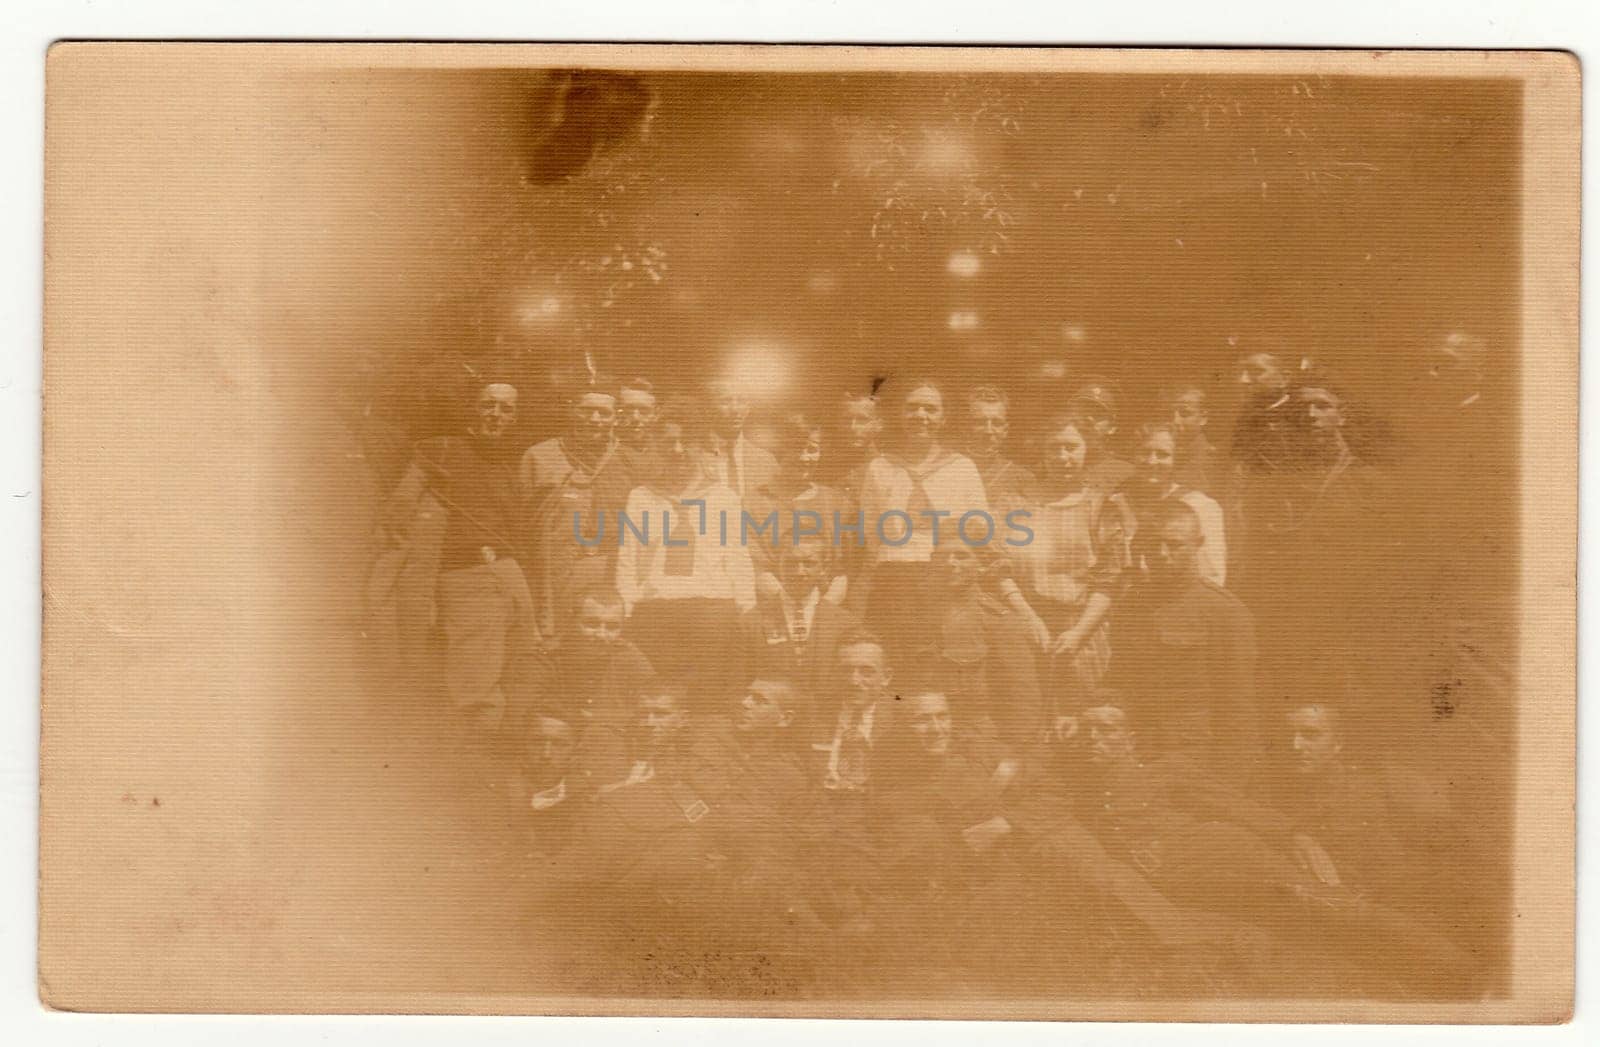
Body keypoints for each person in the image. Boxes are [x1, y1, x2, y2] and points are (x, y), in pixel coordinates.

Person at [381, 380, 534, 732]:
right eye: (488, 405)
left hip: (510, 575)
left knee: (524, 665)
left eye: (506, 409)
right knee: (475, 686)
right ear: (474, 410)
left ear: (515, 417)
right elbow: (397, 516)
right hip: (466, 577)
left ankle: (503, 751)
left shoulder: (515, 462)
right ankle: (469, 762)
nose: (496, 415)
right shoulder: (443, 450)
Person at [614, 398, 755, 713]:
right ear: (656, 446)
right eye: (668, 442)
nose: (677, 450)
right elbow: (628, 560)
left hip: (711, 616)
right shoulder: (641, 497)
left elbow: (738, 558)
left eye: (685, 442)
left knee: (706, 703)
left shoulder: (723, 498)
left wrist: (746, 609)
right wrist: (627, 610)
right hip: (655, 615)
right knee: (659, 702)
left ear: (701, 446)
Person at [1110, 500, 1259, 783]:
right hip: (1137, 749)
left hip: (1196, 757)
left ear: (1198, 543)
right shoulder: (1132, 604)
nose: (1162, 554)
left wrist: (1228, 782)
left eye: (1174, 545)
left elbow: (1239, 708)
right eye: (1152, 545)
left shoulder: (1225, 612)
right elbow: (1119, 677)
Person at [854, 377, 991, 667]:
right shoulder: (880, 467)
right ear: (901, 414)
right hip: (893, 583)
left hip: (945, 583)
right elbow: (871, 536)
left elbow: (980, 532)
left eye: (930, 409)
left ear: (943, 417)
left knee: (942, 666)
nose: (921, 416)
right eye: (912, 408)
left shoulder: (962, 467)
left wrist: (946, 529)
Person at [1007, 410, 1131, 726]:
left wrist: (1078, 634)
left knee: (1081, 722)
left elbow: (1111, 578)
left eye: (1071, 447)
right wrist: (1028, 616)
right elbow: (998, 567)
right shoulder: (1016, 502)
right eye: (1054, 447)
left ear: (1086, 449)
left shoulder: (1102, 505)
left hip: (1084, 631)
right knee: (1030, 720)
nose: (1063, 456)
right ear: (1042, 451)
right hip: (1026, 627)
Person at [518, 376, 635, 642]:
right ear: (572, 411)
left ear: (615, 418)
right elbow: (521, 526)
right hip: (556, 571)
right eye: (586, 411)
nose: (594, 419)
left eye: (603, 413)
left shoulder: (627, 459)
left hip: (610, 570)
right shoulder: (539, 456)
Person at [917, 543, 1045, 747]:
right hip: (926, 740)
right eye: (943, 556)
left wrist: (1012, 755)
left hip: (979, 741)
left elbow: (1023, 698)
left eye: (961, 556)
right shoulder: (920, 617)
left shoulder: (998, 620)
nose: (950, 563)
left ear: (981, 565)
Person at [737, 537, 862, 725]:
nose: (799, 572)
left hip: (825, 727)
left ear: (823, 569)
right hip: (769, 732)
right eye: (791, 563)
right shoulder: (751, 621)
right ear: (778, 565)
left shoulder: (846, 624)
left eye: (809, 563)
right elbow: (738, 682)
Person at [740, 412, 854, 602]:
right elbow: (758, 567)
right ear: (780, 451)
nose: (804, 457)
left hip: (828, 606)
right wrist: (791, 608)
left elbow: (842, 570)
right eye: (795, 449)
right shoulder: (754, 503)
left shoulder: (837, 503)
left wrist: (821, 611)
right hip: (772, 605)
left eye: (811, 449)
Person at [1122, 420, 1227, 588]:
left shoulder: (1201, 506)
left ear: (1176, 458)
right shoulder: (1119, 503)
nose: (1151, 461)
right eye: (1145, 452)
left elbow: (1212, 576)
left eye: (1162, 454)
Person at [703, 376, 780, 502]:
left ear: (749, 408)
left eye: (742, 401)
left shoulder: (766, 461)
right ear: (708, 408)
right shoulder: (694, 457)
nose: (735, 410)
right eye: (725, 401)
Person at [963, 385, 1038, 510]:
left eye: (997, 423)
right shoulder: (949, 470)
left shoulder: (1023, 478)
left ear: (1005, 430)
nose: (988, 431)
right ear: (966, 427)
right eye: (980, 422)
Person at [1159, 380, 1222, 498]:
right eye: (1168, 414)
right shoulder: (1155, 455)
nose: (1175, 421)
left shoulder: (1211, 461)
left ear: (1203, 418)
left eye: (1185, 414)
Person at [1070, 378, 1134, 493]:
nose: (1088, 418)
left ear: (1112, 428)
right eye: (1083, 411)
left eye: (1098, 414)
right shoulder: (1050, 464)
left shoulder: (1122, 473)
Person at [830, 389, 884, 501]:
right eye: (846, 420)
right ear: (838, 423)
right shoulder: (824, 466)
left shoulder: (888, 470)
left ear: (879, 425)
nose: (852, 427)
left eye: (862, 420)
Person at [614, 376, 659, 470]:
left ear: (655, 414)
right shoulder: (607, 451)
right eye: (628, 410)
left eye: (644, 411)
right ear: (617, 413)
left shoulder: (664, 450)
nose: (635, 418)